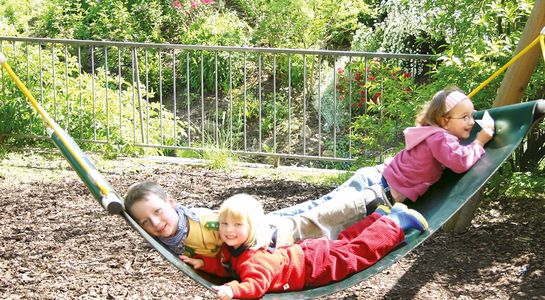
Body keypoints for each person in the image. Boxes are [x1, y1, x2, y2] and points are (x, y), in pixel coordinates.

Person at [272, 86, 495, 217]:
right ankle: (268, 226)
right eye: (464, 117)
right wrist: (480, 141)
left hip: (375, 176)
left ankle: (269, 221)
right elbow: (459, 162)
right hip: (378, 190)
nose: (471, 121)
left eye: (472, 115)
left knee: (318, 207)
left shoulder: (430, 132)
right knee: (319, 214)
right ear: (444, 120)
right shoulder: (441, 138)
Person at [180, 194, 429, 299]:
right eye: (224, 224)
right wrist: (205, 263)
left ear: (253, 228)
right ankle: (379, 218)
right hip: (306, 255)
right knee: (346, 243)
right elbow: (229, 268)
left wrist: (234, 291)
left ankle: (395, 222)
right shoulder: (233, 250)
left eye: (237, 224)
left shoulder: (254, 259)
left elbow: (256, 285)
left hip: (314, 268)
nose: (228, 230)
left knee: (358, 253)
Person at [124, 180, 389, 257]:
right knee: (313, 216)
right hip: (259, 239)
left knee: (314, 220)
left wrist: (257, 238)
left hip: (267, 236)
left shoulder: (201, 221)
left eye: (157, 212)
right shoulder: (169, 237)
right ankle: (367, 201)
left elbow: (230, 225)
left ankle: (369, 197)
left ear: (172, 203)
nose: (155, 223)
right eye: (145, 222)